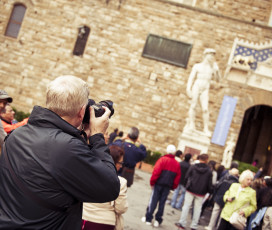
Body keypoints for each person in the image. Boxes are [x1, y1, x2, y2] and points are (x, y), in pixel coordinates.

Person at [0, 75, 120, 229]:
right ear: (82, 111)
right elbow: (109, 188)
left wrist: (82, 136)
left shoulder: (17, 135)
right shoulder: (68, 148)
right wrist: (97, 137)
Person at [82, 145, 128, 230]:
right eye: (120, 163)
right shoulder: (120, 182)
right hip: (104, 222)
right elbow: (120, 208)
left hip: (83, 218)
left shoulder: (88, 174)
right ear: (112, 161)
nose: (121, 166)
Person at [184, 48, 221, 136]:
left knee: (205, 109)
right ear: (206, 55)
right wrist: (188, 88)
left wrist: (217, 71)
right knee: (193, 106)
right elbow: (191, 78)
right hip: (197, 85)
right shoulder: (197, 66)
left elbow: (218, 80)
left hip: (205, 88)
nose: (212, 57)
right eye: (210, 55)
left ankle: (206, 128)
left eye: (213, 55)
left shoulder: (212, 68)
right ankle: (191, 125)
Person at [142, 144, 181, 227]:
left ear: (167, 151)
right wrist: (173, 187)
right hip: (167, 186)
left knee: (153, 201)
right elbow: (177, 177)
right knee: (162, 203)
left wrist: (152, 182)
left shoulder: (162, 160)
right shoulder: (176, 164)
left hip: (158, 184)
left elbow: (156, 172)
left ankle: (148, 218)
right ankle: (157, 220)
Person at [175, 153, 213, 230]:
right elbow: (209, 183)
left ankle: (182, 223)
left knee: (186, 206)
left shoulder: (193, 167)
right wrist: (209, 192)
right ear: (206, 160)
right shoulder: (209, 171)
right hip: (201, 192)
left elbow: (186, 177)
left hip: (190, 190)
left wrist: (186, 186)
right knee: (197, 209)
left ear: (199, 159)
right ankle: (194, 226)